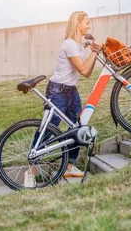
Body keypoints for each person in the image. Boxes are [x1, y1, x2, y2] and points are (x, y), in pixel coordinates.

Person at [24, 11, 102, 187]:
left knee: (77, 127)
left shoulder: (80, 45)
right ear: (77, 24)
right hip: (57, 91)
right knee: (47, 129)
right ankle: (30, 173)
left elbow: (87, 73)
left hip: (71, 92)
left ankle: (69, 168)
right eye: (87, 23)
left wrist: (94, 53)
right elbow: (83, 69)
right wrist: (93, 52)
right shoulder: (69, 45)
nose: (89, 26)